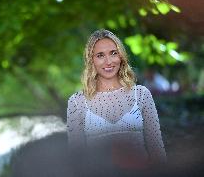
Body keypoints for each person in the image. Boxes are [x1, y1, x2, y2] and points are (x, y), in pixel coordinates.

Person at [66, 29, 166, 172]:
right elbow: (76, 159)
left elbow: (157, 152)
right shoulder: (77, 102)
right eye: (100, 55)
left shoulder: (141, 94)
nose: (109, 61)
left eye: (113, 53)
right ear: (91, 60)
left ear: (121, 56)